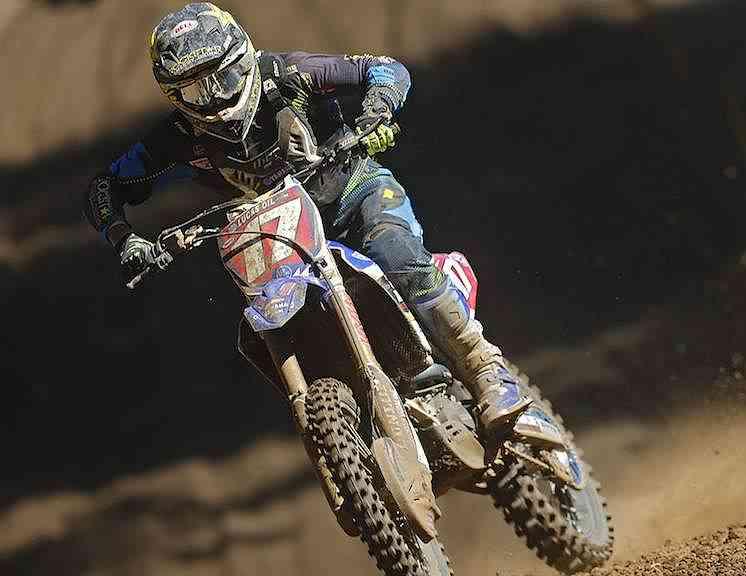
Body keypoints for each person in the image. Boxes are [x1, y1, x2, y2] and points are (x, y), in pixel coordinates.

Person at [81, 2, 533, 510]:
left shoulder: (289, 74)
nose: (215, 98)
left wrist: (377, 112)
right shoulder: (175, 139)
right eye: (195, 91)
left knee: (396, 252)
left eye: (223, 78)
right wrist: (125, 239)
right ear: (174, 96)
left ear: (243, 58)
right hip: (280, 235)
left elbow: (384, 69)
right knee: (261, 320)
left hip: (353, 194)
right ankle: (355, 428)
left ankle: (485, 369)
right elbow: (105, 186)